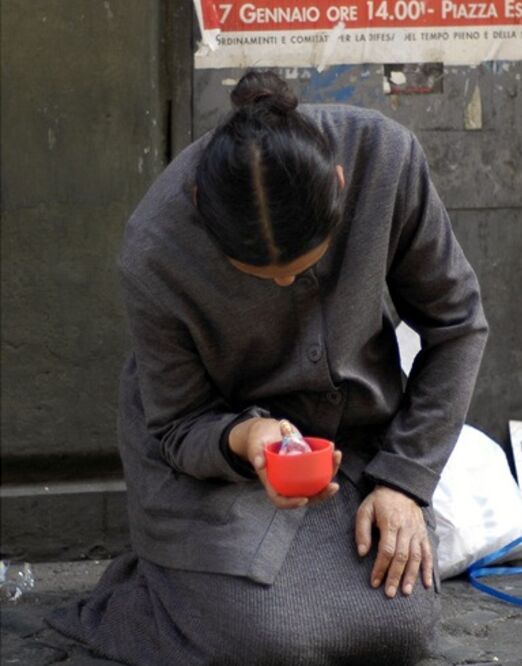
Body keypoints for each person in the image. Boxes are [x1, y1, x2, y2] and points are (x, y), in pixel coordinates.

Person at [46, 70, 488, 665]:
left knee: (400, 627)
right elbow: (177, 425)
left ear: (339, 184)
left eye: (304, 266)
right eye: (260, 278)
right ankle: (144, 595)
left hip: (347, 442)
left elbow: (457, 323)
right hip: (206, 459)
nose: (285, 283)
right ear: (202, 208)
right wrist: (245, 438)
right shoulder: (155, 251)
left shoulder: (384, 159)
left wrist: (403, 482)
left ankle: (229, 583)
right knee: (272, 642)